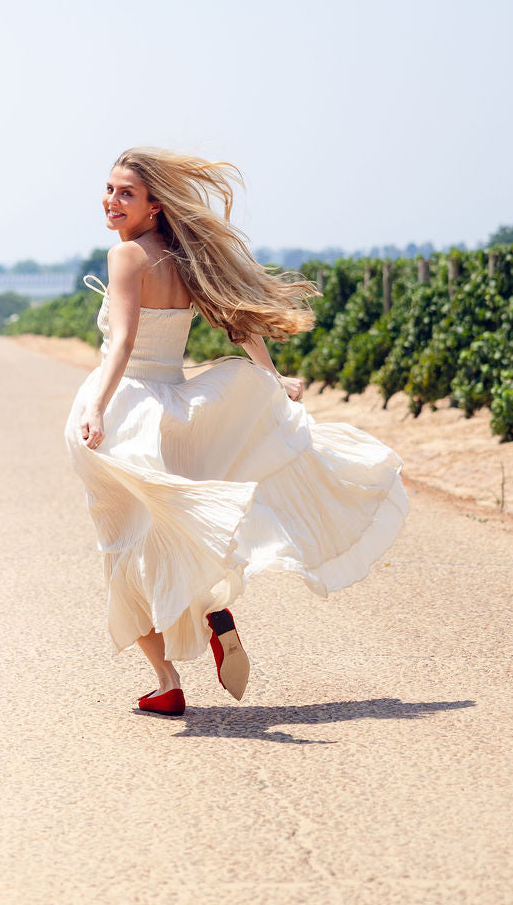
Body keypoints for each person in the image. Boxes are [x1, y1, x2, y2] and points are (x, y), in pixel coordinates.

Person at [64, 147, 407, 717]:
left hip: (128, 407)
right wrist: (272, 379)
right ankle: (212, 614)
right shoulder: (184, 257)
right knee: (172, 529)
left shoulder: (126, 256)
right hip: (173, 408)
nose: (112, 201)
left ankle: (167, 680)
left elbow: (122, 342)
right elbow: (239, 321)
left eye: (126, 193)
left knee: (124, 543)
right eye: (109, 189)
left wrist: (97, 408)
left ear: (154, 205)